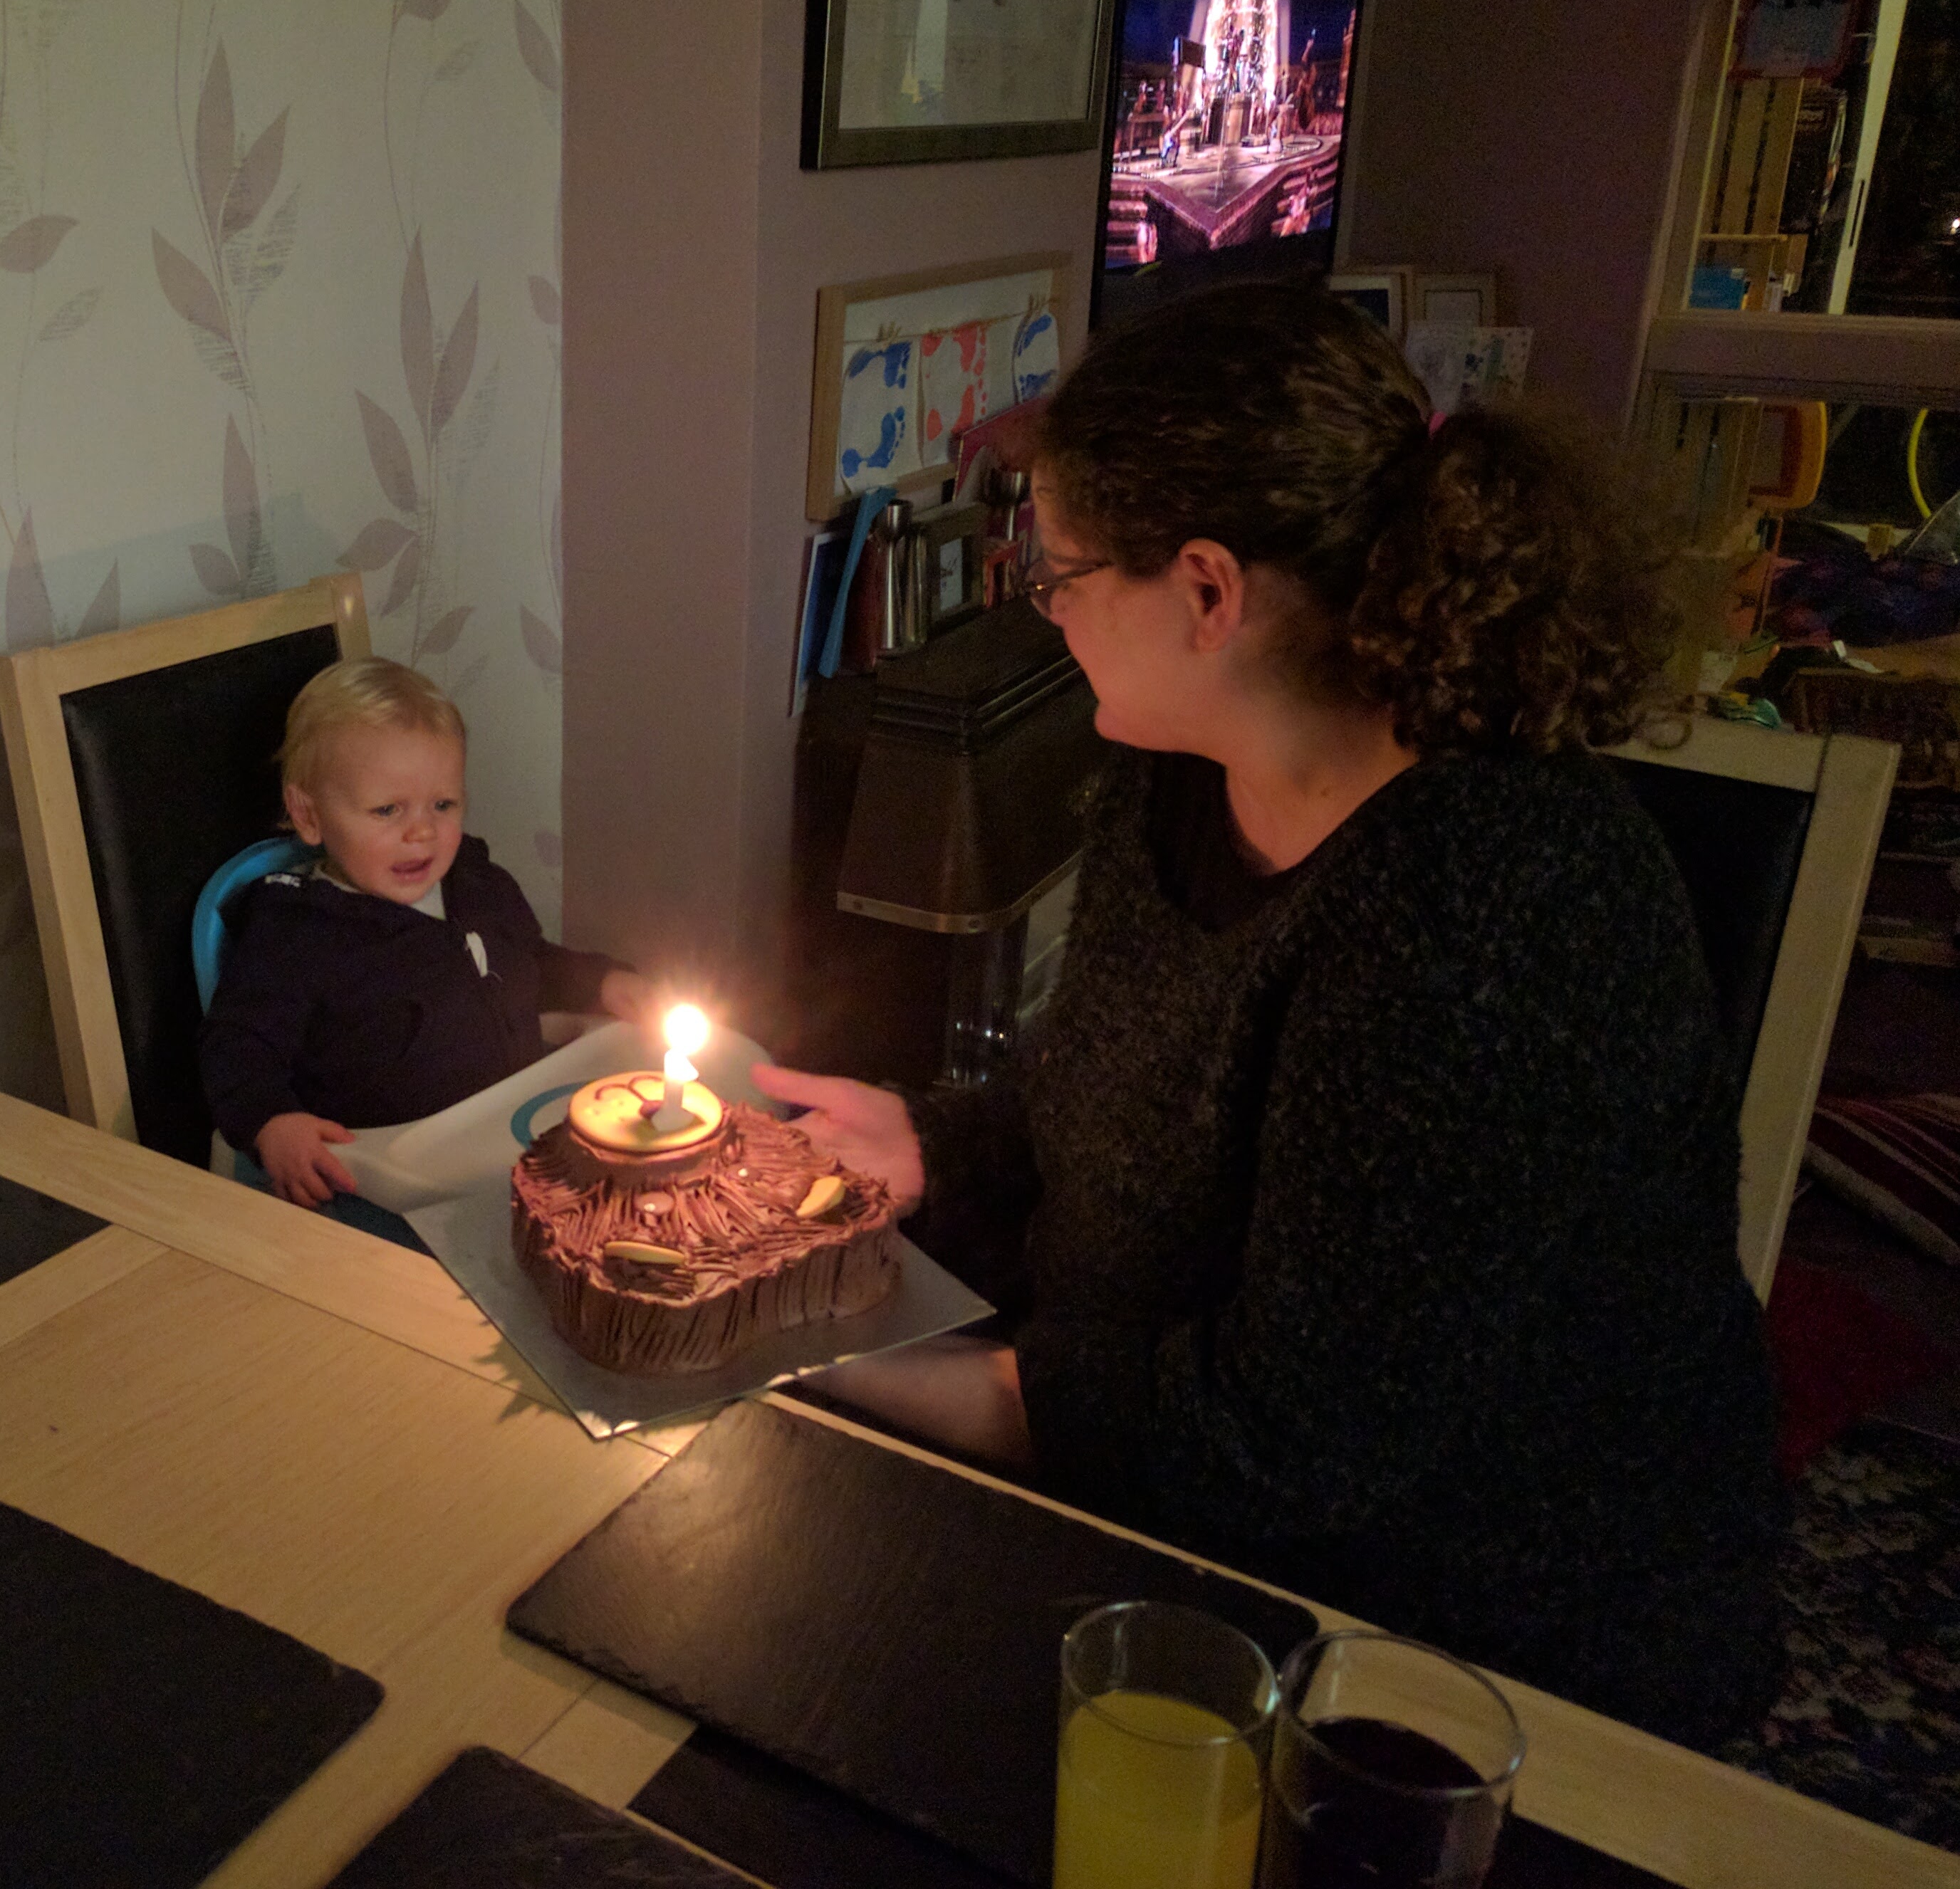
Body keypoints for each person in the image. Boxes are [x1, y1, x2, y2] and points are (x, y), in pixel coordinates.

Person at [759, 283, 1784, 1744]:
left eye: (1054, 572)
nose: (1043, 611)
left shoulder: (1484, 910)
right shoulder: (1180, 770)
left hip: (1470, 1645)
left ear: (1203, 589)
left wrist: (828, 1360)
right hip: (1167, 1495)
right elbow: (1122, 1107)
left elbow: (1283, 1439)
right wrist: (931, 1145)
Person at [202, 657, 652, 1208]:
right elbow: (238, 1047)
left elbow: (529, 964)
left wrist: (603, 982)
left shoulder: (476, 885)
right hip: (394, 1188)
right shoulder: (297, 936)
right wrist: (273, 1123)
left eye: (443, 804)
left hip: (513, 1144)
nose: (421, 831)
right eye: (387, 809)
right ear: (310, 815)